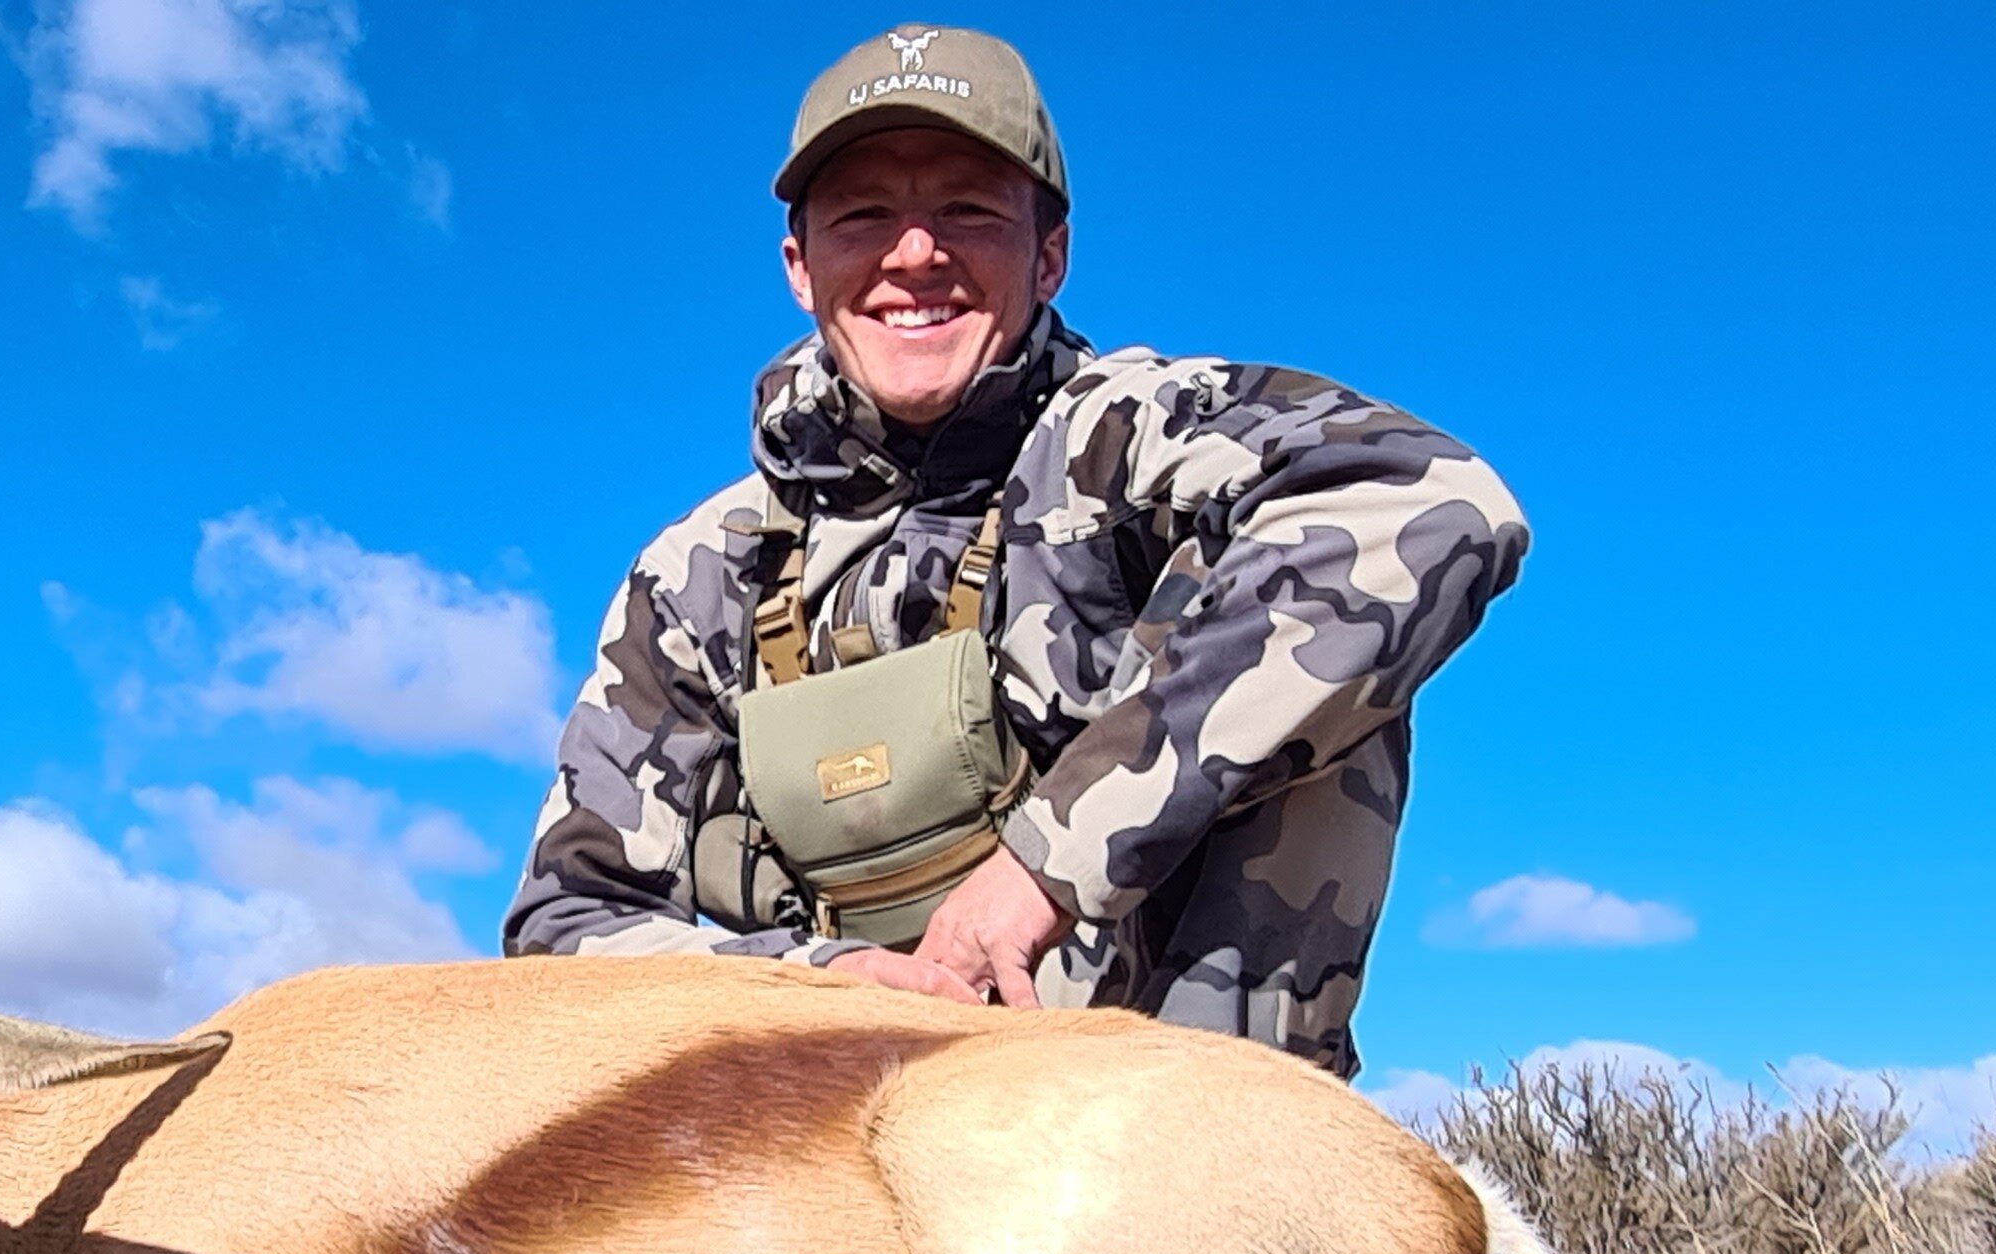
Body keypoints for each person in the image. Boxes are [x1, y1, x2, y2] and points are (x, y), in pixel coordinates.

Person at [500, 23, 1529, 1077]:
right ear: (801, 270)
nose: (914, 255)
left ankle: (1237, 1151)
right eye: (864, 217)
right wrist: (815, 985)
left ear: (1049, 257)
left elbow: (1434, 502)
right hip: (834, 1127)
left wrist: (1049, 862)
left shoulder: (1126, 442)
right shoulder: (695, 576)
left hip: (1164, 1110)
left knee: (1326, 620)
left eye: (967, 211)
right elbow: (563, 924)